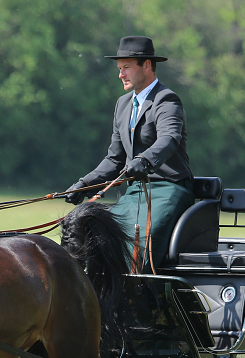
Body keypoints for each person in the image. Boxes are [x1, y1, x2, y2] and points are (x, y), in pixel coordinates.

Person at [64, 36, 194, 271]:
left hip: (168, 189)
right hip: (135, 193)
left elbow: (169, 138)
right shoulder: (123, 105)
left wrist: (144, 160)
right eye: (119, 68)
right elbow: (115, 159)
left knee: (139, 243)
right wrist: (84, 184)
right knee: (96, 233)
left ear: (147, 65)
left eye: (126, 68)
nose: (120, 74)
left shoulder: (166, 100)